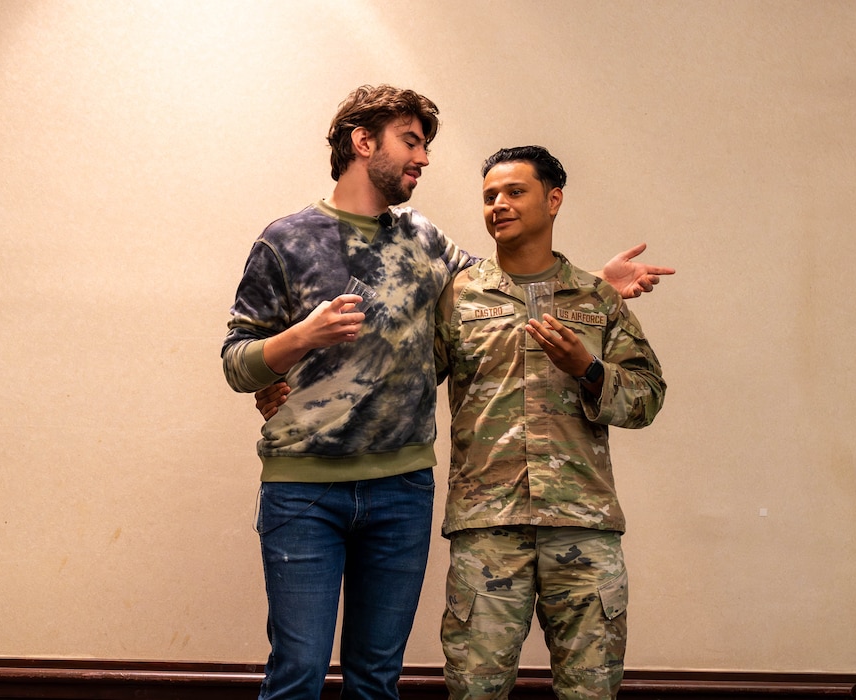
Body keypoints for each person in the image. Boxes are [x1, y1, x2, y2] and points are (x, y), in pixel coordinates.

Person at [224, 84, 673, 700]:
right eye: (412, 142)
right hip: (329, 493)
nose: (425, 160)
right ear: (363, 142)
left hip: (432, 498)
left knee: (378, 679)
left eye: (515, 192)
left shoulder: (429, 242)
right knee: (299, 672)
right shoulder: (289, 240)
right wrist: (289, 359)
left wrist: (596, 288)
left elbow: (513, 293)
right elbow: (251, 357)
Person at [433, 146, 666, 700]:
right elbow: (404, 381)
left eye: (515, 192)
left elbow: (648, 397)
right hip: (488, 525)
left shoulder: (596, 299)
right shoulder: (458, 297)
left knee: (591, 692)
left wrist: (587, 369)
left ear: (553, 199)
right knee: (474, 691)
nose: (499, 205)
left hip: (582, 524)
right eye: (490, 196)